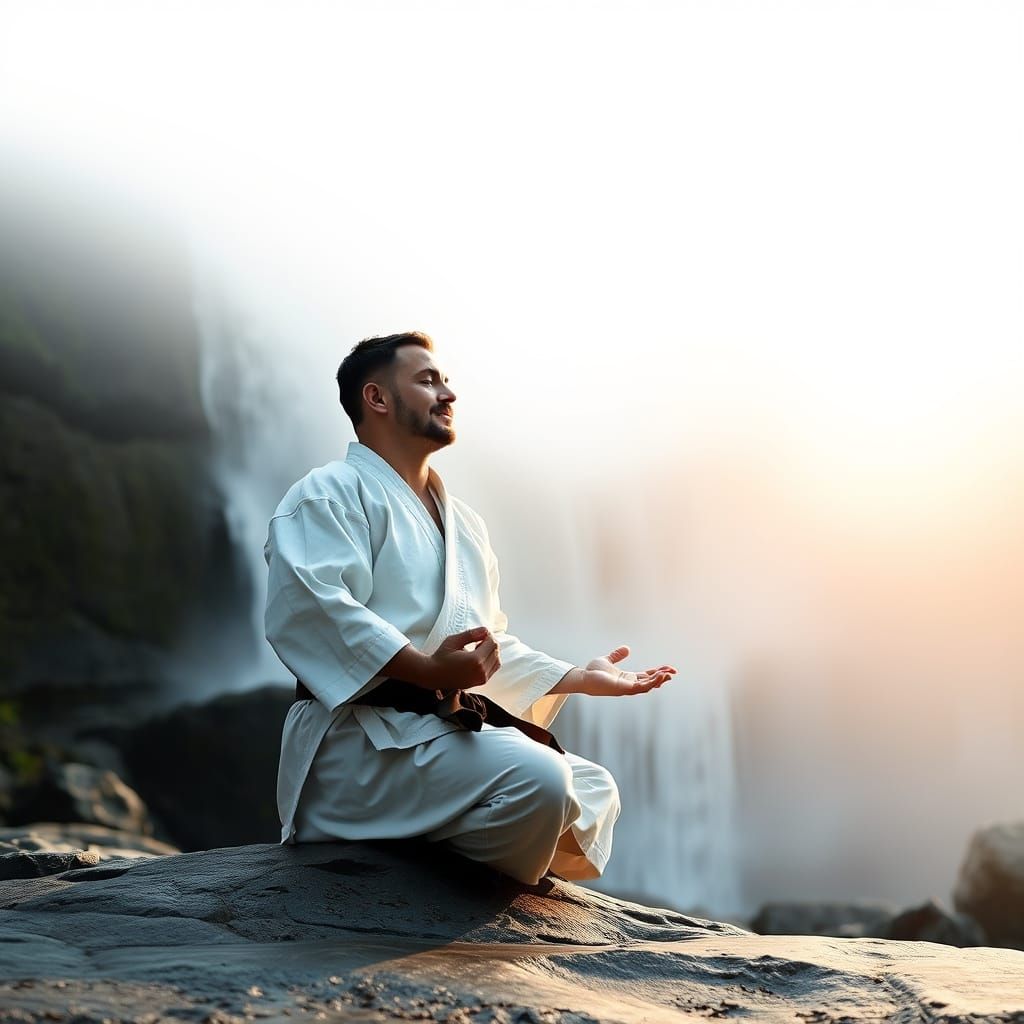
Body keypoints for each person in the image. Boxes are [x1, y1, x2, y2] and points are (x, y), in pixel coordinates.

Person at [265, 331, 677, 885]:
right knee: (543, 783)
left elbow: (484, 643)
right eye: (428, 380)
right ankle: (408, 851)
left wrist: (576, 677)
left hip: (433, 741)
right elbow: (313, 608)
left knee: (595, 788)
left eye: (447, 381)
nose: (448, 393)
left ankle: (428, 842)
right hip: (356, 749)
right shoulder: (327, 493)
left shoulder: (465, 524)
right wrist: (424, 669)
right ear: (377, 399)